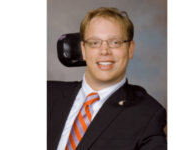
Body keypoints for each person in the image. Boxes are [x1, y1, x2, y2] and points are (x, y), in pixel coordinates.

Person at [48, 7, 167, 150]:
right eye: (94, 43)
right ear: (83, 50)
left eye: (115, 42)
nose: (104, 51)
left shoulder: (148, 115)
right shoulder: (47, 94)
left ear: (130, 49)